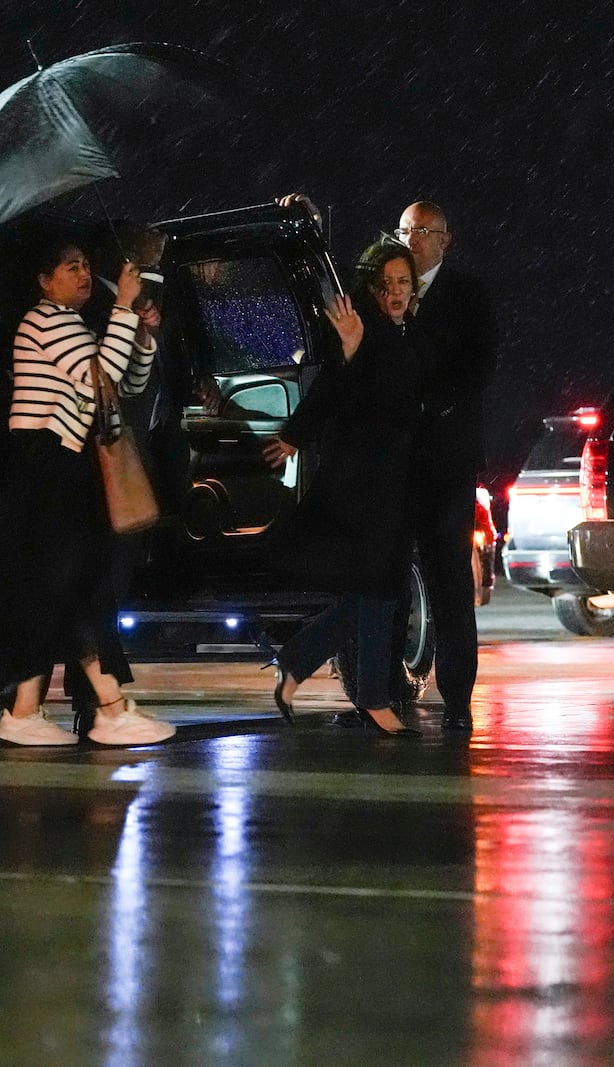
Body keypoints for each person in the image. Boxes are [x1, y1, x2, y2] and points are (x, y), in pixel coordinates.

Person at [0, 238, 175, 747]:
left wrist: (139, 333)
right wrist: (122, 310)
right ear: (46, 282)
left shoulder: (72, 324)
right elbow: (101, 380)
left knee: (66, 590)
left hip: (61, 467)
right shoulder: (46, 320)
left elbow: (127, 385)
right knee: (73, 586)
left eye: (87, 266)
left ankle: (32, 711)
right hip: (47, 466)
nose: (85, 274)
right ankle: (106, 709)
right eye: (72, 268)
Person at [262, 238, 423, 735]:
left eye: (404, 283)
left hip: (392, 480)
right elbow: (333, 389)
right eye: (387, 284)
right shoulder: (362, 331)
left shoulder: (400, 334)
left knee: (372, 589)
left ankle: (296, 662)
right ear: (372, 288)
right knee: (377, 587)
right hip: (364, 482)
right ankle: (374, 699)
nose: (395, 293)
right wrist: (294, 435)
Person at [389, 200, 499, 732]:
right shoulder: (384, 292)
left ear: (445, 241)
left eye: (422, 231)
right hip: (391, 461)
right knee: (385, 575)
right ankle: (382, 694)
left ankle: (457, 698)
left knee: (449, 578)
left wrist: (428, 402)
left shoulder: (467, 296)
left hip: (446, 461)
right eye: (404, 229)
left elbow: (477, 370)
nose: (411, 239)